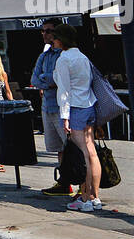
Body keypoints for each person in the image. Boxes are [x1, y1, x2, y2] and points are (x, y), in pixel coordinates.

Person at [53, 22, 101, 212]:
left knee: (82, 155)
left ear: (60, 39)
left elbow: (64, 90)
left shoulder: (64, 59)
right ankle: (94, 196)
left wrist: (65, 117)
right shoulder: (82, 56)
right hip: (89, 104)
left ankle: (86, 198)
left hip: (75, 107)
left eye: (55, 37)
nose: (53, 41)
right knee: (91, 152)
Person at [32, 19, 72, 197]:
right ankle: (64, 182)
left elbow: (60, 79)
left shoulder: (64, 55)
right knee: (59, 148)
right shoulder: (44, 55)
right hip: (47, 106)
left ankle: (80, 183)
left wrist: (47, 79)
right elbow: (34, 80)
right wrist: (49, 79)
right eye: (43, 31)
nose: (45, 34)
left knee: (72, 147)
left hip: (62, 106)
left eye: (48, 31)